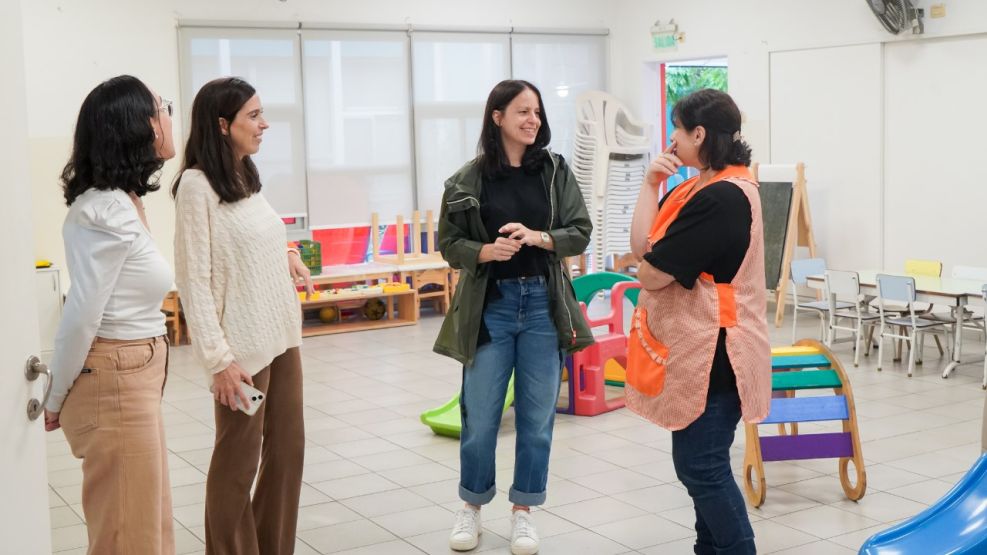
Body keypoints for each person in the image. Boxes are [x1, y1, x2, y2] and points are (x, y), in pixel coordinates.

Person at [433, 79, 594, 555]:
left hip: (544, 306)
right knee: (480, 417)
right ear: (497, 117)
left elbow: (579, 231)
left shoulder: (555, 171)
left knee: (537, 418)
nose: (533, 121)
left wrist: (540, 237)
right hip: (492, 308)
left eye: (538, 113)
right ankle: (472, 505)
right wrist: (485, 250)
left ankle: (524, 512)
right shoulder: (468, 179)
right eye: (523, 112)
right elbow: (449, 245)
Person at [626, 88, 771, 554]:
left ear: (700, 134)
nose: (672, 138)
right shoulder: (696, 186)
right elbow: (641, 247)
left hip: (718, 352)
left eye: (678, 128)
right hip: (703, 348)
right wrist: (650, 185)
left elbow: (651, 273)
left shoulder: (723, 198)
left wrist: (649, 266)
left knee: (701, 466)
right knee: (699, 468)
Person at [172, 76, 313, 555]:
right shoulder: (196, 186)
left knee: (287, 453)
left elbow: (262, 232)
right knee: (237, 465)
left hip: (282, 337)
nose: (264, 123)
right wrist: (218, 360)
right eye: (253, 115)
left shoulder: (244, 174)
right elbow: (194, 279)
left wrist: (289, 252)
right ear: (222, 124)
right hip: (242, 356)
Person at [44, 74, 177, 554]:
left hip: (134, 374)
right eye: (162, 107)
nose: (167, 115)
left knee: (149, 528)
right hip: (115, 379)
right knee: (128, 538)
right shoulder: (101, 210)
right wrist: (55, 396)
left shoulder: (125, 201)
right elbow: (82, 313)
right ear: (136, 125)